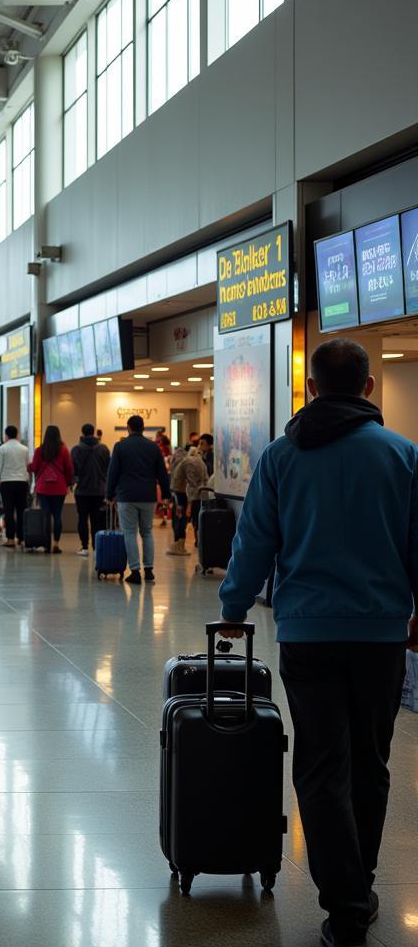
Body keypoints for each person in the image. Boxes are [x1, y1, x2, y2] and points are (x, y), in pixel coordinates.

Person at [218, 339, 418, 947]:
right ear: (369, 386)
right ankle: (361, 883)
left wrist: (233, 606)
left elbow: (255, 538)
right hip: (381, 635)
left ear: (309, 389)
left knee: (321, 765)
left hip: (307, 632)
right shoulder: (402, 454)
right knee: (370, 763)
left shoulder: (282, 455)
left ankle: (347, 903)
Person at [105, 414, 170, 584]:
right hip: (148, 496)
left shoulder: (120, 446)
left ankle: (134, 571)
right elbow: (162, 473)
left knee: (129, 533)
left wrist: (109, 494)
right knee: (147, 532)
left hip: (126, 496)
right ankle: (149, 570)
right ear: (143, 428)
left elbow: (113, 473)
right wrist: (166, 495)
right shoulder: (153, 447)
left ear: (128, 427)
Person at [28, 425, 74, 554]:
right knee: (57, 516)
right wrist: (69, 483)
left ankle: (46, 544)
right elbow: (69, 469)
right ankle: (56, 544)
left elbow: (34, 467)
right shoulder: (64, 450)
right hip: (59, 487)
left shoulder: (40, 450)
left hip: (43, 488)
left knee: (46, 516)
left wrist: (28, 467)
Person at [71, 423, 110, 557]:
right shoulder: (104, 449)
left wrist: (73, 483)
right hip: (100, 491)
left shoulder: (76, 449)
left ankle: (84, 547)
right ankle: (96, 547)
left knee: (82, 518)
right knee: (97, 520)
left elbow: (73, 470)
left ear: (82, 432)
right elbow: (108, 469)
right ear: (93, 432)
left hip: (82, 491)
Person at [0, 425, 29, 548]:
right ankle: (22, 538)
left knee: (9, 511)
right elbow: (28, 466)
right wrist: (29, 481)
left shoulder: (2, 449)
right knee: (21, 510)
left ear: (5, 435)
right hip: (22, 482)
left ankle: (11, 539)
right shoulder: (24, 449)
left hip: (7, 483)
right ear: (17, 434)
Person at [168, 445, 208, 555]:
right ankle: (180, 544)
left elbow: (192, 484)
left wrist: (190, 503)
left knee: (180, 519)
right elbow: (202, 481)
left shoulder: (189, 462)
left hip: (183, 494)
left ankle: (179, 544)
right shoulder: (199, 462)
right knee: (191, 521)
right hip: (195, 495)